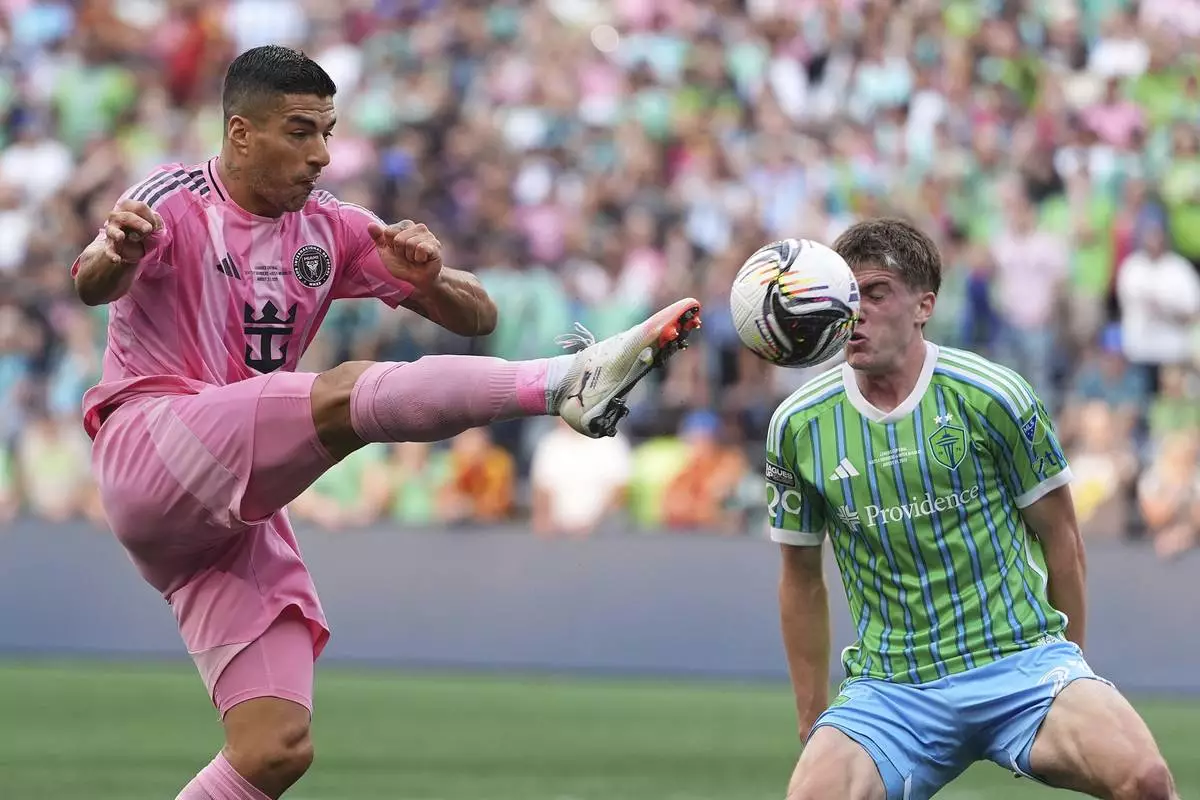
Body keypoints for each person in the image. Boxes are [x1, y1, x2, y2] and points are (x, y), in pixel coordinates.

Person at [71, 46, 701, 800]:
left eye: (328, 132)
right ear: (240, 133)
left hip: (230, 511)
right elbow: (90, 281)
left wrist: (432, 279)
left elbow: (479, 315)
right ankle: (565, 382)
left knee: (275, 748)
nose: (321, 155)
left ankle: (563, 382)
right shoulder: (172, 200)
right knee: (342, 396)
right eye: (300, 132)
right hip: (151, 445)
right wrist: (115, 248)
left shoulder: (329, 228)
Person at [766, 218, 1176, 800]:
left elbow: (1063, 541)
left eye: (875, 293)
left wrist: (1069, 675)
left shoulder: (994, 395)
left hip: (1019, 662)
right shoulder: (797, 424)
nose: (853, 313)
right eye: (846, 297)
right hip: (892, 687)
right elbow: (800, 580)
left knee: (1145, 779)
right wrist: (813, 721)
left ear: (923, 305)